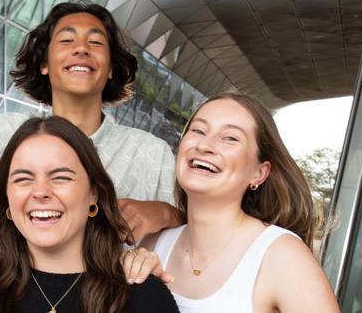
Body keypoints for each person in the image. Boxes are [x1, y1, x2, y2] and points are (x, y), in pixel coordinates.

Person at [0, 2, 181, 242]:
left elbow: (204, 225)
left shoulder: (150, 153)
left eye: (95, 42)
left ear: (111, 69)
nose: (82, 49)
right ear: (44, 64)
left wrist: (170, 214)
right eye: (66, 40)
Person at [0, 116, 180, 313]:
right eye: (23, 179)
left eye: (61, 177)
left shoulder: (145, 297)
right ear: (8, 200)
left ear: (93, 195)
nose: (41, 192)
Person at [143, 92, 340, 312]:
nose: (204, 145)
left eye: (230, 138)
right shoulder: (151, 246)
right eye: (198, 130)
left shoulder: (282, 256)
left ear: (259, 173)